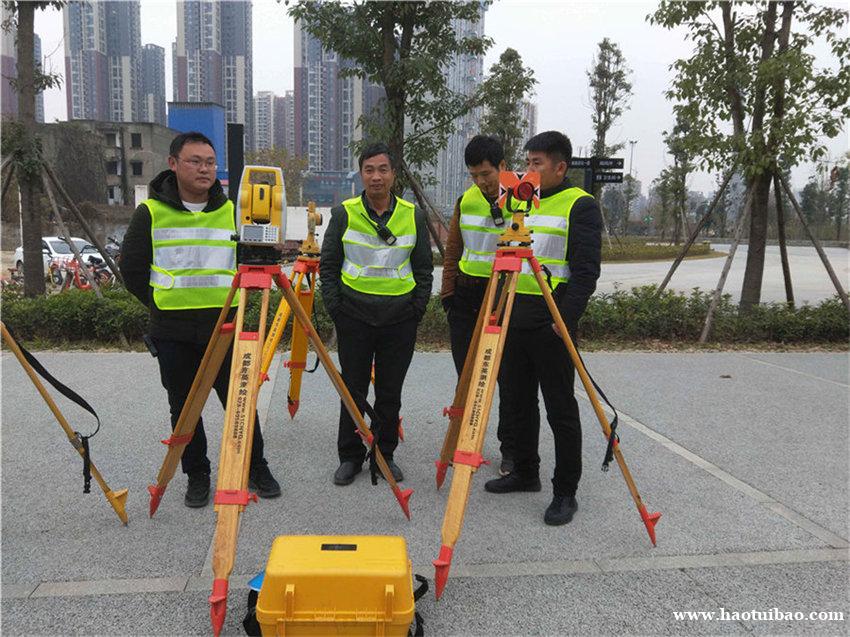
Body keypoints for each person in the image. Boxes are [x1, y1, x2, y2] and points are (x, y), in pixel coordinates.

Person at [120, 131, 281, 508]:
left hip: (225, 326)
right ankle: (197, 475)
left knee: (240, 400)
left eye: (210, 163)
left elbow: (254, 258)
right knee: (184, 406)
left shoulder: (232, 210)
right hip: (172, 330)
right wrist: (160, 302)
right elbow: (132, 268)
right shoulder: (151, 212)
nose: (204, 169)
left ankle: (256, 466)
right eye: (195, 161)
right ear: (173, 164)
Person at [483, 131, 602, 526]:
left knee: (560, 409)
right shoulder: (521, 200)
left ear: (560, 167)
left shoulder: (580, 205)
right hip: (514, 316)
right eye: (527, 162)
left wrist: (563, 320)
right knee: (517, 403)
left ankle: (565, 491)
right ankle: (525, 472)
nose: (528, 170)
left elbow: (585, 273)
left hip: (551, 322)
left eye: (537, 164)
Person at [320, 142, 433, 486]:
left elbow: (424, 269)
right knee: (352, 389)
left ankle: (385, 454)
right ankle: (350, 456)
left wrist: (416, 309)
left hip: (399, 320)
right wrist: (336, 309)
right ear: (361, 173)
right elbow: (329, 265)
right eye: (369, 170)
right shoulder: (344, 213)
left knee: (389, 392)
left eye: (383, 169)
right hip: (353, 317)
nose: (376, 177)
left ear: (393, 174)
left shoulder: (413, 215)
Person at [440, 134, 526, 475]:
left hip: (505, 295)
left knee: (506, 377)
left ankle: (511, 449)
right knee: (467, 375)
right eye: (474, 175)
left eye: (486, 174)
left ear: (503, 167)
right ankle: (465, 441)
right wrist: (448, 293)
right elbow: (453, 250)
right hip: (466, 296)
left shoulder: (522, 199)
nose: (481, 181)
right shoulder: (466, 201)